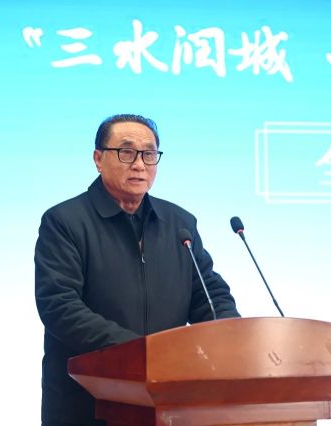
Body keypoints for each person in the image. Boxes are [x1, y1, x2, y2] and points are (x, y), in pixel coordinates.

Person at [34, 114, 240, 426]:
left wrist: (231, 339)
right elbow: (59, 306)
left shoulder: (179, 224)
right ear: (98, 159)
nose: (140, 164)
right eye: (127, 152)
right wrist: (139, 352)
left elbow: (209, 294)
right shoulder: (65, 222)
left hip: (168, 402)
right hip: (87, 404)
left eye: (149, 154)